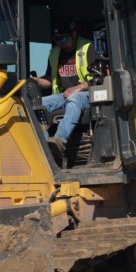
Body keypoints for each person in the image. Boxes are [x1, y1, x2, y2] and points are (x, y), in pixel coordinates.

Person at [32, 21, 92, 166]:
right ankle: (46, 147)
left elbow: (97, 78)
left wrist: (76, 88)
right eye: (57, 39)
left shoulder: (88, 47)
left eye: (64, 38)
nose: (60, 42)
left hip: (87, 92)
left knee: (75, 98)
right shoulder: (54, 52)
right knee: (36, 104)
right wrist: (34, 81)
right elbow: (49, 80)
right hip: (63, 95)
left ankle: (59, 141)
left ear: (74, 34)